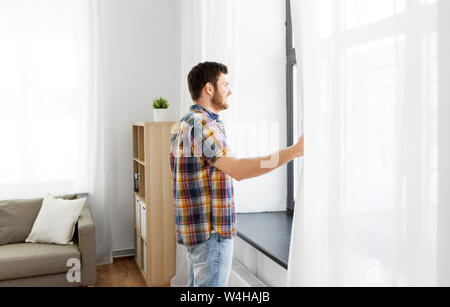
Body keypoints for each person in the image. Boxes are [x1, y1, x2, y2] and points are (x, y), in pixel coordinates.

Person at [170, 61, 304, 287]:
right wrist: (293, 152)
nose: (230, 90)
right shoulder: (201, 125)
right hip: (211, 234)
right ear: (209, 89)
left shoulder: (185, 123)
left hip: (197, 233)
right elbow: (238, 169)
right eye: (225, 84)